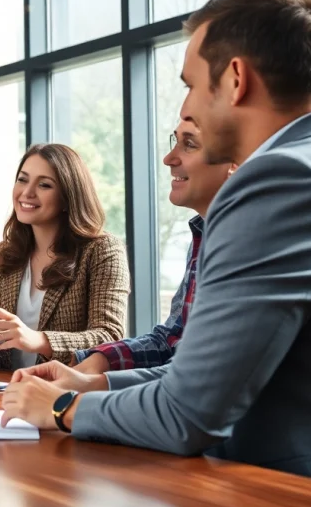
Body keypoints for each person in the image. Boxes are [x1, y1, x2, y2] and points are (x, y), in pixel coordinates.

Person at [1, 0, 311, 490]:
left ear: (236, 79)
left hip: (306, 499)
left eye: (191, 84)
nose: (189, 106)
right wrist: (95, 383)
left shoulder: (282, 180)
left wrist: (66, 406)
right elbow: (210, 375)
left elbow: (188, 412)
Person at [71, 119, 235, 374]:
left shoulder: (249, 244)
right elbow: (171, 340)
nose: (168, 159)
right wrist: (92, 363)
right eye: (175, 141)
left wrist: (97, 383)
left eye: (189, 144)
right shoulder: (203, 235)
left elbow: (203, 372)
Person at [0, 143, 130, 371]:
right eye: (22, 180)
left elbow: (109, 337)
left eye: (44, 185)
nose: (27, 193)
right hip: (1, 390)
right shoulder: (4, 253)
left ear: (68, 196)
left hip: (63, 392)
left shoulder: (103, 250)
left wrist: (39, 340)